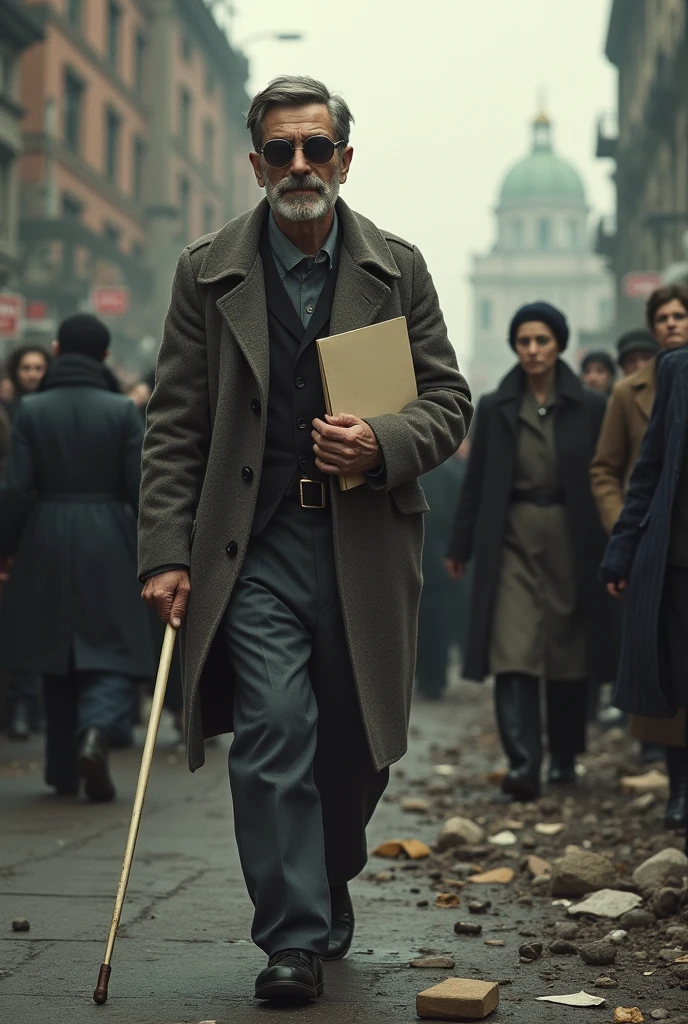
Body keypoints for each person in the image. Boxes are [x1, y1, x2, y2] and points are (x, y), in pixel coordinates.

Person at [138, 75, 471, 1004]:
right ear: (255, 164)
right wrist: (166, 551)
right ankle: (290, 936)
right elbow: (175, 423)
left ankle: (326, 879)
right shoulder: (205, 271)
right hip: (252, 549)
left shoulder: (396, 269)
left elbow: (449, 400)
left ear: (344, 160)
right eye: (279, 150)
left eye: (315, 148)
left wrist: (383, 441)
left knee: (355, 752)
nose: (298, 166)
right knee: (274, 730)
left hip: (364, 550)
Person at [446, 302, 618, 802]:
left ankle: (564, 755)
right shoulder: (497, 406)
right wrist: (460, 544)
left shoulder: (590, 406)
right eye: (524, 341)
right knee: (513, 649)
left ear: (559, 343)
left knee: (567, 651)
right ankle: (523, 763)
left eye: (542, 340)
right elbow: (474, 485)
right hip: (511, 537)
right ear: (515, 347)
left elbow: (606, 472)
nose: (533, 350)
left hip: (573, 535)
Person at [0, 314, 154, 799]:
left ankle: (62, 769)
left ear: (57, 351)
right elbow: (138, 487)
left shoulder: (31, 411)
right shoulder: (121, 411)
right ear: (106, 357)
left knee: (56, 651)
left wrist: (8, 547)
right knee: (108, 646)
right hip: (108, 534)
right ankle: (96, 729)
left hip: (44, 534)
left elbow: (17, 488)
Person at [590, 285, 688, 822]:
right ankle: (679, 789)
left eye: (682, 315)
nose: (673, 324)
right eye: (665, 316)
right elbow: (639, 471)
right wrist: (623, 547)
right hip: (671, 551)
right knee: (674, 677)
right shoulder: (669, 375)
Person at [1, 344, 51, 739]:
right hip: (30, 526)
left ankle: (31, 707)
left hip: (41, 525)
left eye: (39, 367)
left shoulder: (38, 409)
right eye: (26, 367)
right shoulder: (11, 411)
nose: (33, 373)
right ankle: (22, 705)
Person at [416, 440, 472, 699]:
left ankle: (422, 677)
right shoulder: (449, 472)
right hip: (440, 560)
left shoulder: (409, 472)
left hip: (416, 556)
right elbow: (457, 517)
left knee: (418, 624)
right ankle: (434, 680)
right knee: (438, 623)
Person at [2, 345, 51, 421]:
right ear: (16, 371)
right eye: (26, 368)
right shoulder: (5, 408)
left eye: (38, 368)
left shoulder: (53, 405)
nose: (32, 375)